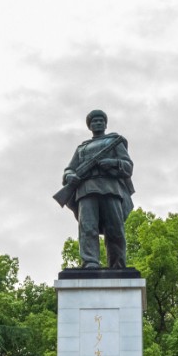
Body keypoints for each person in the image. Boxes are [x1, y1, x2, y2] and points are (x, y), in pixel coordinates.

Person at [54, 109, 134, 268]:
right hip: (86, 190)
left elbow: (128, 166)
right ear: (89, 126)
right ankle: (90, 261)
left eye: (101, 121)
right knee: (87, 228)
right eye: (94, 121)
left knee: (115, 229)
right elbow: (69, 169)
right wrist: (69, 176)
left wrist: (112, 163)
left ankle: (117, 264)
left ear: (106, 124)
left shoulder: (115, 141)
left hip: (111, 189)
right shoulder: (82, 148)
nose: (98, 123)